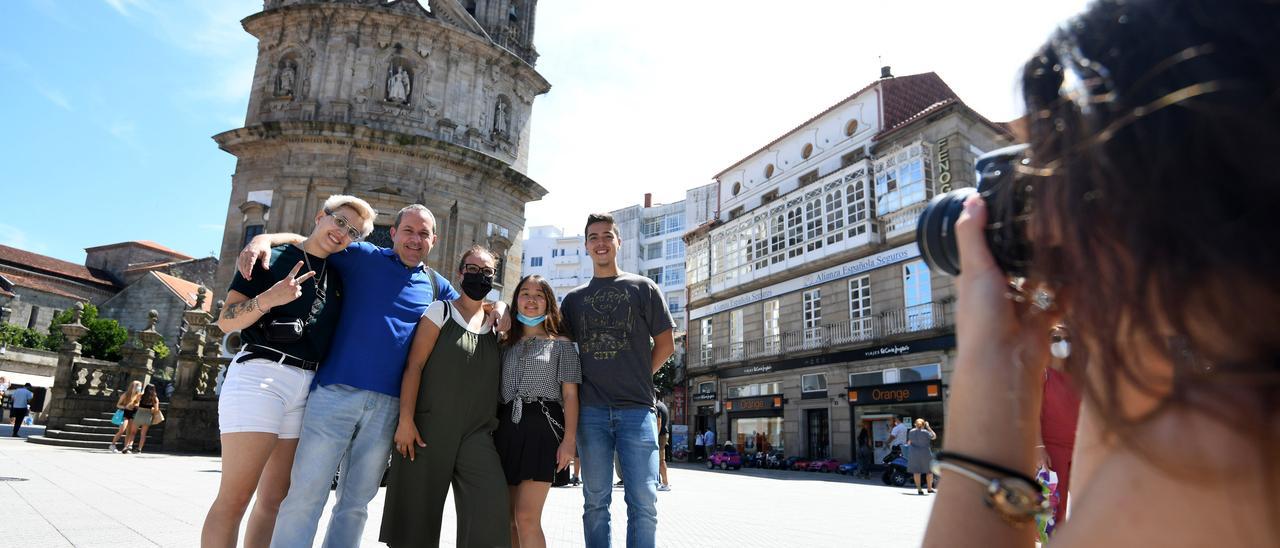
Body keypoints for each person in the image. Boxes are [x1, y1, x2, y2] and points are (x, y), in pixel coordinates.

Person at [924, 1, 1279, 546]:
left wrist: (992, 365)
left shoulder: (1224, 456)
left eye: (1080, 175)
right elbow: (1088, 513)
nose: (1049, 228)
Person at [241, 204, 502, 548]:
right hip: (334, 393)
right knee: (306, 495)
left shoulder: (435, 284)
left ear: (434, 240)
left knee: (355, 505)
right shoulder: (362, 255)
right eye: (408, 230)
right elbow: (314, 239)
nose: (415, 239)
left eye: (424, 233)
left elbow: (472, 303)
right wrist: (263, 237)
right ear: (392, 233)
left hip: (387, 407)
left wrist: (499, 306)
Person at [201, 194, 374, 548]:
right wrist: (269, 298)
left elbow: (299, 239)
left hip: (306, 384)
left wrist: (269, 234)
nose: (342, 233)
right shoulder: (273, 258)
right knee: (235, 497)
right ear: (319, 216)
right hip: (260, 374)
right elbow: (224, 322)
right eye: (339, 222)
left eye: (353, 232)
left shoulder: (340, 275)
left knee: (273, 500)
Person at [380, 246, 511, 548]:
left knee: (490, 509)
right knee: (414, 522)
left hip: (477, 434)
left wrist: (501, 305)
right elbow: (414, 366)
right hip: (427, 431)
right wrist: (406, 421)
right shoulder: (440, 311)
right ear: (460, 272)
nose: (479, 276)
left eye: (487, 272)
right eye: (473, 269)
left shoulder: (496, 325)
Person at [560, 212, 674, 548]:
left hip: (637, 411)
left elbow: (666, 345)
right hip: (591, 412)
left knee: (644, 502)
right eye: (593, 237)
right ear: (585, 246)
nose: (600, 242)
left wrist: (638, 374)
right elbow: (562, 351)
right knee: (595, 502)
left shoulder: (643, 288)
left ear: (618, 242)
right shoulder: (573, 300)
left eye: (607, 236)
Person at [492, 274, 581, 548]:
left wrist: (569, 442)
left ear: (548, 303)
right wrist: (498, 308)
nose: (532, 300)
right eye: (525, 294)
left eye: (539, 294)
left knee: (526, 517)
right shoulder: (502, 343)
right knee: (506, 519)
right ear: (515, 300)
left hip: (541, 430)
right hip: (505, 430)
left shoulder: (562, 344)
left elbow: (570, 395)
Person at [1037, 338, 1082, 531]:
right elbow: (1032, 413)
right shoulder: (1043, 373)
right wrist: (1038, 448)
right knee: (1054, 515)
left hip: (1083, 447)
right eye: (1056, 338)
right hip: (1052, 450)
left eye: (1068, 338)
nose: (1063, 343)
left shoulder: (1082, 373)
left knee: (1088, 508)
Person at [127, 385, 163, 454]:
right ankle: (139, 449)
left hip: (139, 414)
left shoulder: (140, 395)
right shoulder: (155, 398)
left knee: (133, 432)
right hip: (148, 415)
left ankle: (130, 446)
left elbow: (134, 404)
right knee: (143, 434)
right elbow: (156, 410)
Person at [110, 381, 143, 453]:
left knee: (129, 432)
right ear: (133, 386)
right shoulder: (125, 395)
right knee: (122, 430)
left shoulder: (138, 395)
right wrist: (125, 407)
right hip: (125, 413)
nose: (139, 388)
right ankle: (113, 445)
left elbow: (139, 405)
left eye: (140, 386)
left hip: (133, 414)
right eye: (137, 386)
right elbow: (118, 405)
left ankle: (126, 447)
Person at [907, 419, 936, 494]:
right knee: (929, 471)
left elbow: (909, 442)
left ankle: (919, 489)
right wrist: (928, 427)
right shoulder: (925, 432)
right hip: (925, 453)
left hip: (914, 454)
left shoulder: (911, 431)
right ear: (923, 425)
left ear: (915, 424)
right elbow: (934, 437)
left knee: (917, 472)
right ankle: (929, 489)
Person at [654, 395, 670, 491]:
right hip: (664, 434)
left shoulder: (657, 406)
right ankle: (661, 482)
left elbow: (658, 422)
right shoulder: (662, 405)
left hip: (660, 435)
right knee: (660, 460)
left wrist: (655, 435)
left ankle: (665, 483)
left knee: (660, 460)